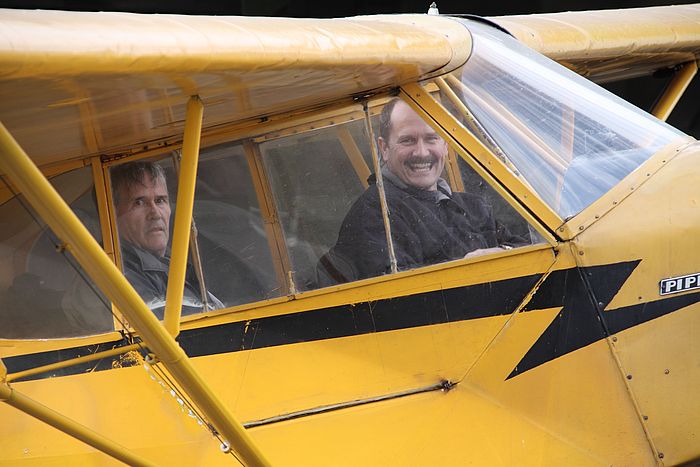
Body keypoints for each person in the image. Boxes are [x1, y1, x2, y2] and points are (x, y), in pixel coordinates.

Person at [319, 98, 525, 284]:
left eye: (431, 138)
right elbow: (402, 295)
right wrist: (471, 268)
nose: (421, 152)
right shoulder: (375, 213)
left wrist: (501, 252)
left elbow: (526, 249)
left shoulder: (474, 206)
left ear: (445, 144)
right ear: (384, 148)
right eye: (407, 140)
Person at [111, 161, 222, 318]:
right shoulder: (116, 272)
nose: (155, 214)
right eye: (139, 202)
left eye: (160, 200)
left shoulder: (171, 265)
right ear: (112, 215)